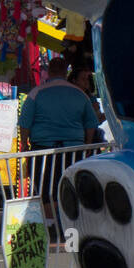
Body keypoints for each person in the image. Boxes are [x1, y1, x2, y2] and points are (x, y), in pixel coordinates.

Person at [19, 56, 99, 224]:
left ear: (49, 72)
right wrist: (88, 144)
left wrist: (24, 145)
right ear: (65, 71)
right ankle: (70, 222)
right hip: (74, 150)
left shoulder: (36, 93)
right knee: (71, 186)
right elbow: (91, 123)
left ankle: (51, 225)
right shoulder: (80, 94)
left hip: (43, 149)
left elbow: (25, 122)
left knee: (46, 187)